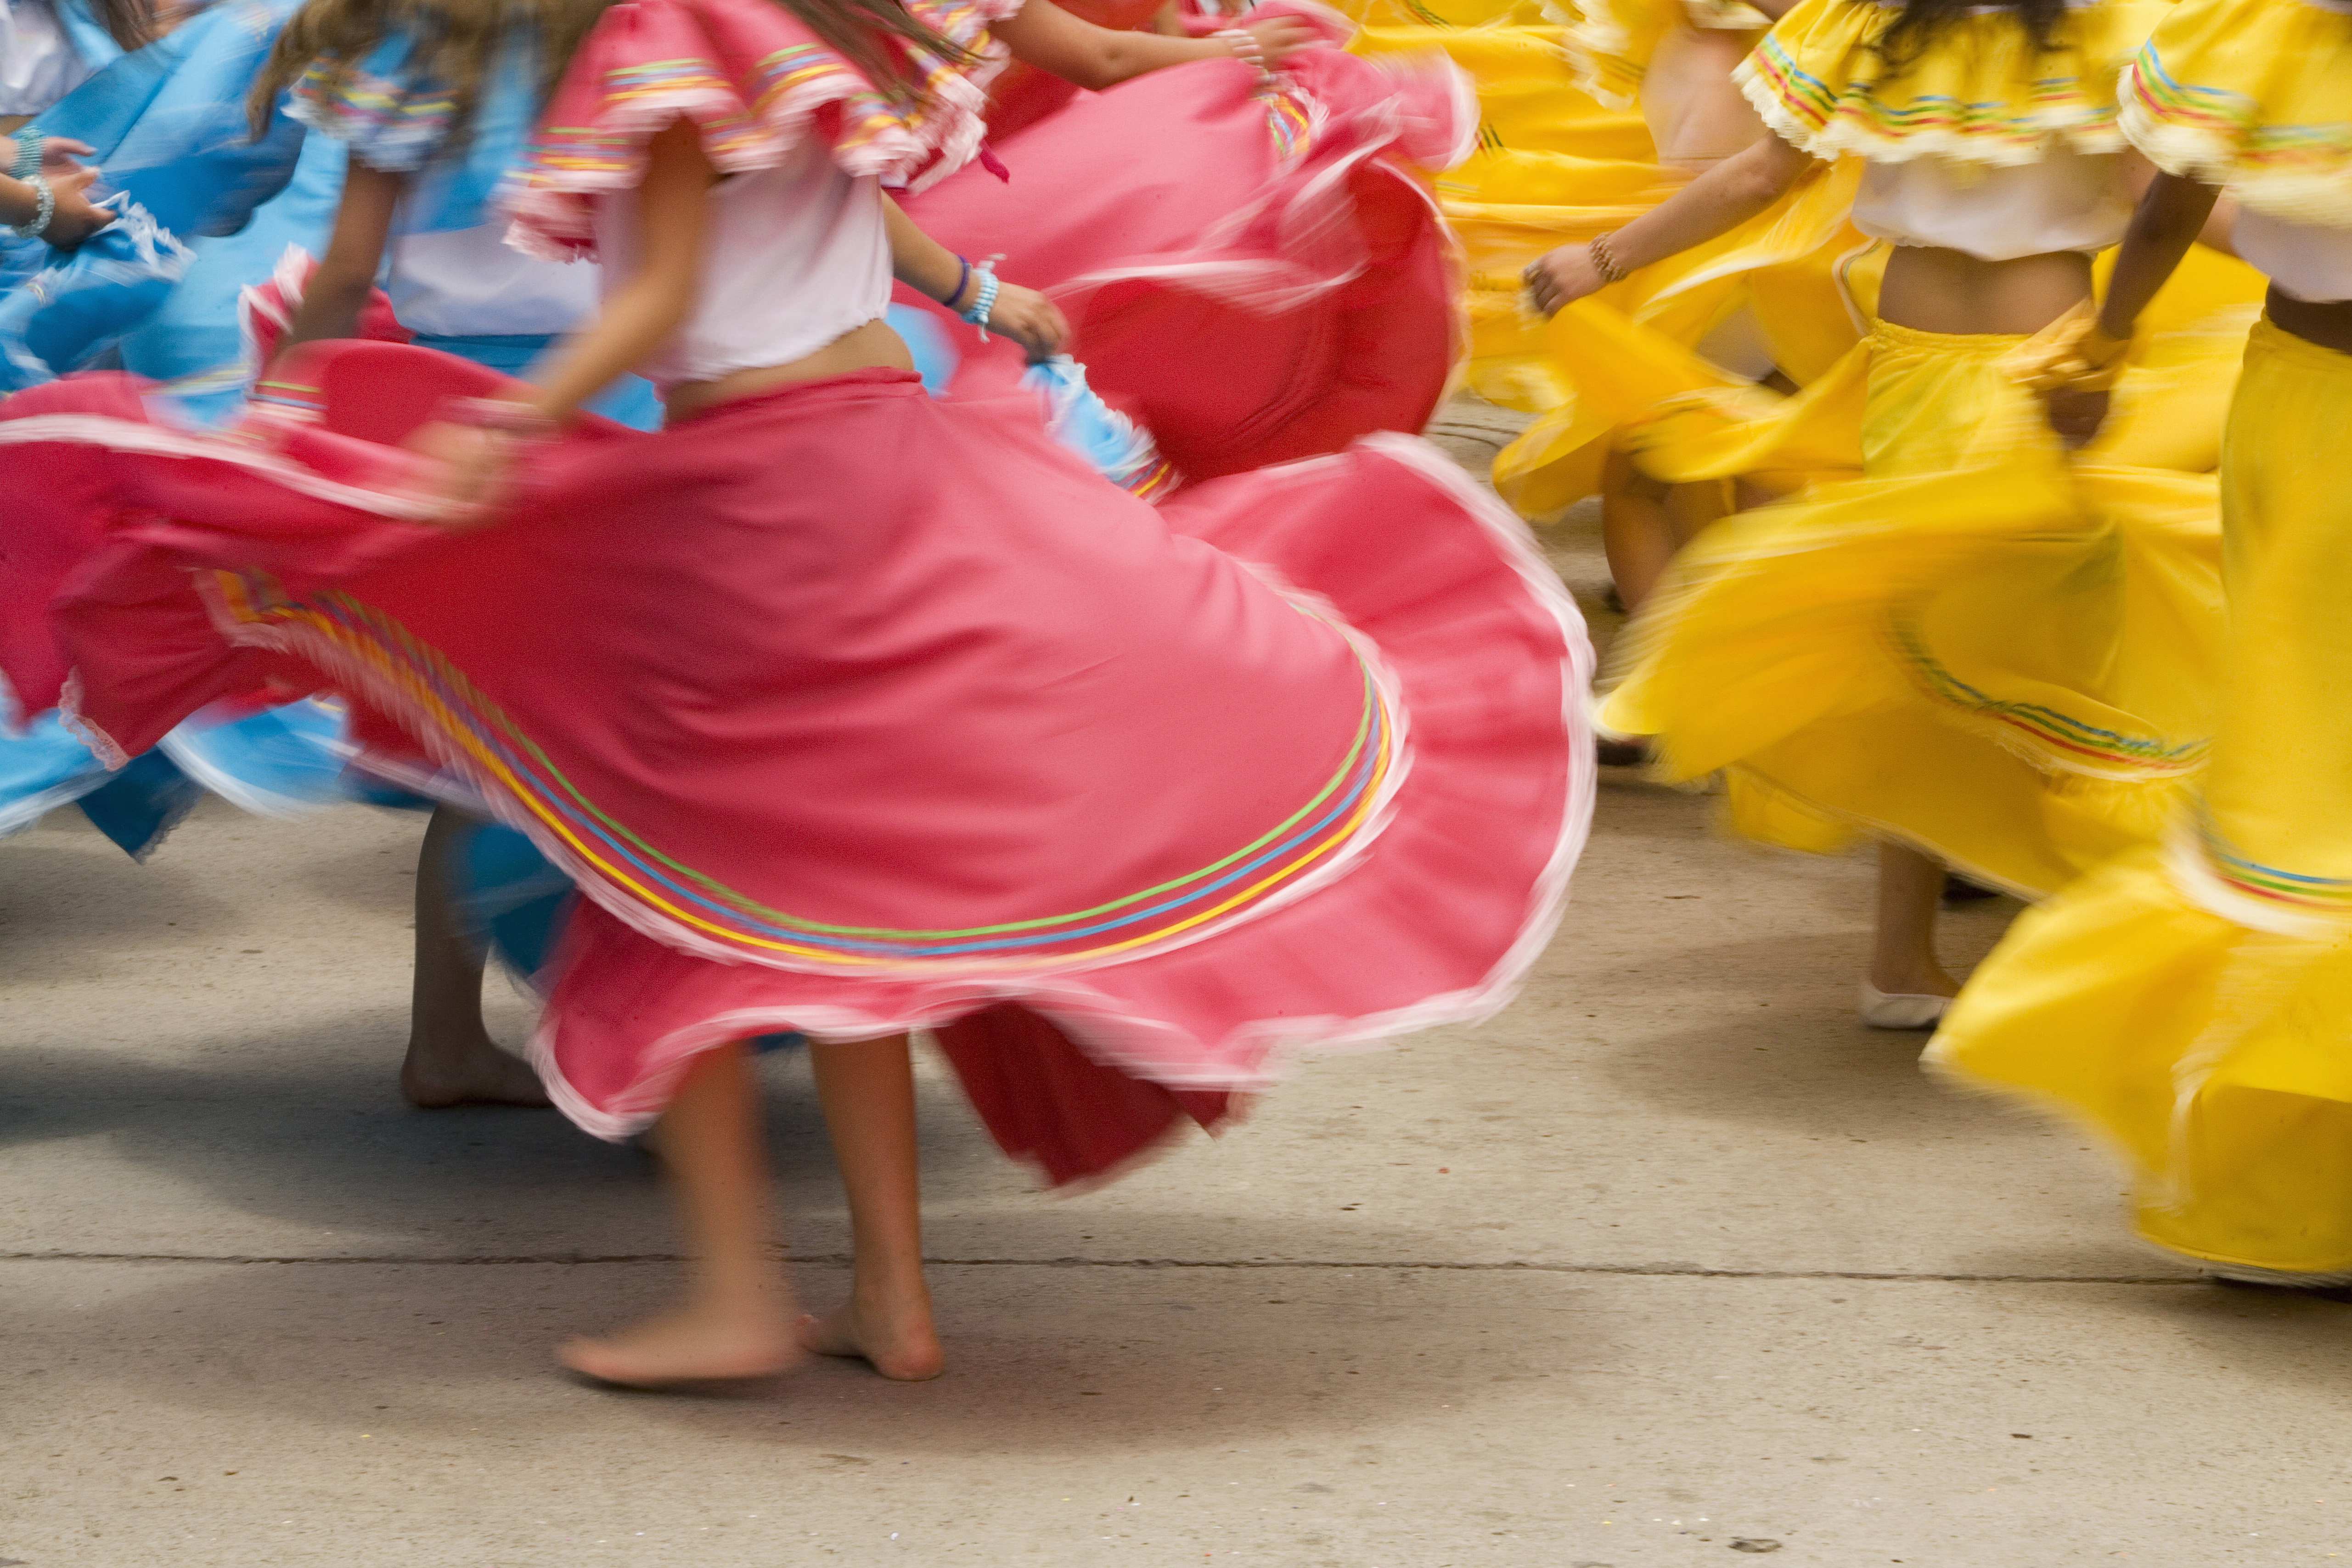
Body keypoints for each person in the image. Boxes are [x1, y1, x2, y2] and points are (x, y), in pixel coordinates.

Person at [0, 0, 1589, 1386]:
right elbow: (817, 206)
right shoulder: (807, 21)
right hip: (887, 451)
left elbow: (649, 294)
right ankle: (887, 1296)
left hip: (765, 495)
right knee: (842, 906)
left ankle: (740, 1298)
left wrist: (503, 421)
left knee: (678, 893)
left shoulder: (672, 36)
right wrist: (968, 293)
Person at [1524, 0, 2223, 1027]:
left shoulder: (1867, 23)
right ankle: (2073, 941)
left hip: (1921, 367)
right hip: (2049, 371)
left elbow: (1757, 177)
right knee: (2061, 649)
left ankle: (1906, 955)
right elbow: (2161, 199)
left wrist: (1605, 258)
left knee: (1930, 649)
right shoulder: (2103, 28)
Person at [1930, 0, 2352, 1283]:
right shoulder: (2261, 38)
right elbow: (2164, 202)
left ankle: (2277, 1196)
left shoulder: (2257, 40)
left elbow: (2166, 205)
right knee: (2299, 794)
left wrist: (2109, 344)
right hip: (2299, 426)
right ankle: (2276, 1194)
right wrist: (2105, 343)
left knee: (2297, 796)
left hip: (2297, 410)